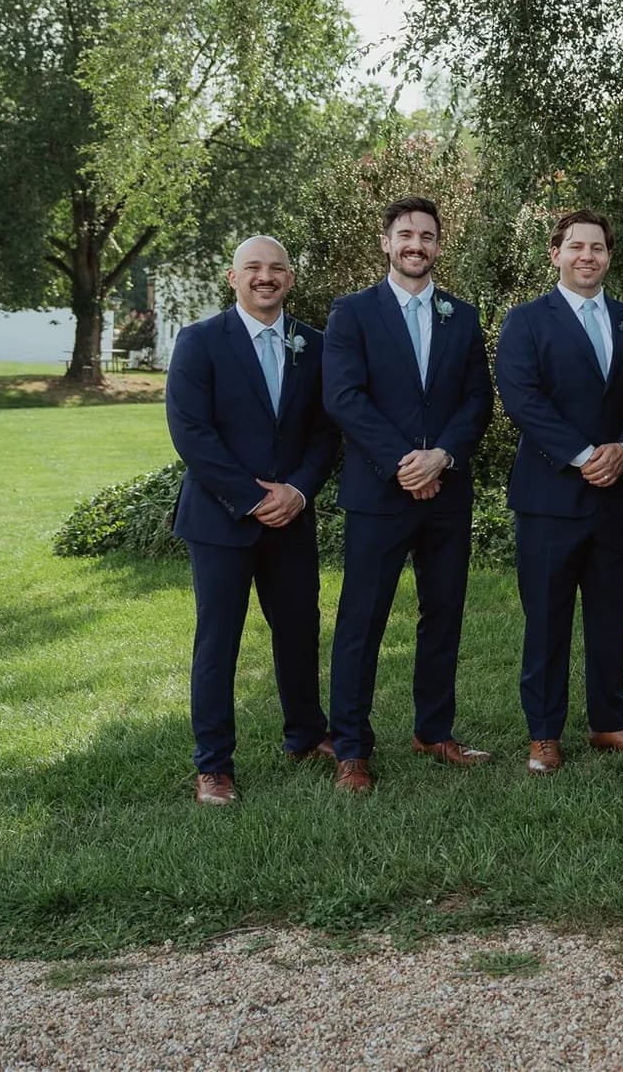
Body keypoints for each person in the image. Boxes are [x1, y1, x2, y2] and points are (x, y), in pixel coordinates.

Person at [322, 196, 494, 793]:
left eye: (426, 235)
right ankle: (350, 747)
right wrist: (404, 463)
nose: (415, 244)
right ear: (386, 243)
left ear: (439, 245)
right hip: (379, 493)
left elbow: (478, 399)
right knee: (361, 620)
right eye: (404, 234)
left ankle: (433, 730)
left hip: (446, 491)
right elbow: (344, 398)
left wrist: (441, 457)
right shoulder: (351, 314)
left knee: (442, 613)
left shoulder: (463, 317)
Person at [165, 235, 339, 805]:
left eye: (277, 269)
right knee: (219, 642)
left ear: (290, 278)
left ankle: (306, 735)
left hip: (291, 515)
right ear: (232, 277)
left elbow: (324, 431)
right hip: (220, 520)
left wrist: (298, 490)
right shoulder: (199, 342)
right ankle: (213, 764)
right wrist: (250, 496)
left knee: (298, 630)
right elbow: (192, 432)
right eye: (253, 268)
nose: (266, 277)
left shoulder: (313, 345)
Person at [495, 208, 623, 775]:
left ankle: (609, 721)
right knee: (547, 618)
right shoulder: (527, 320)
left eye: (599, 247)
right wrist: (585, 455)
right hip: (550, 497)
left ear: (609, 256)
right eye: (576, 246)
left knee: (613, 614)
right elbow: (522, 398)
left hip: (619, 496)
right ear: (555, 254)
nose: (588, 256)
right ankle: (543, 731)